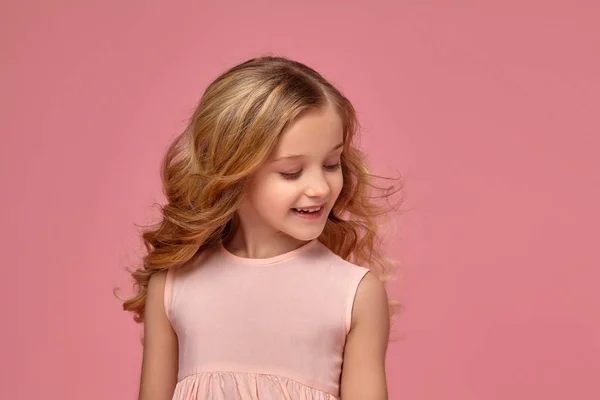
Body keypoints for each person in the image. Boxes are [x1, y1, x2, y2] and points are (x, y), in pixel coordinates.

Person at [117, 55, 403, 400]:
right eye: (291, 172)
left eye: (331, 164)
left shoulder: (354, 294)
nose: (321, 188)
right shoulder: (174, 286)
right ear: (233, 171)